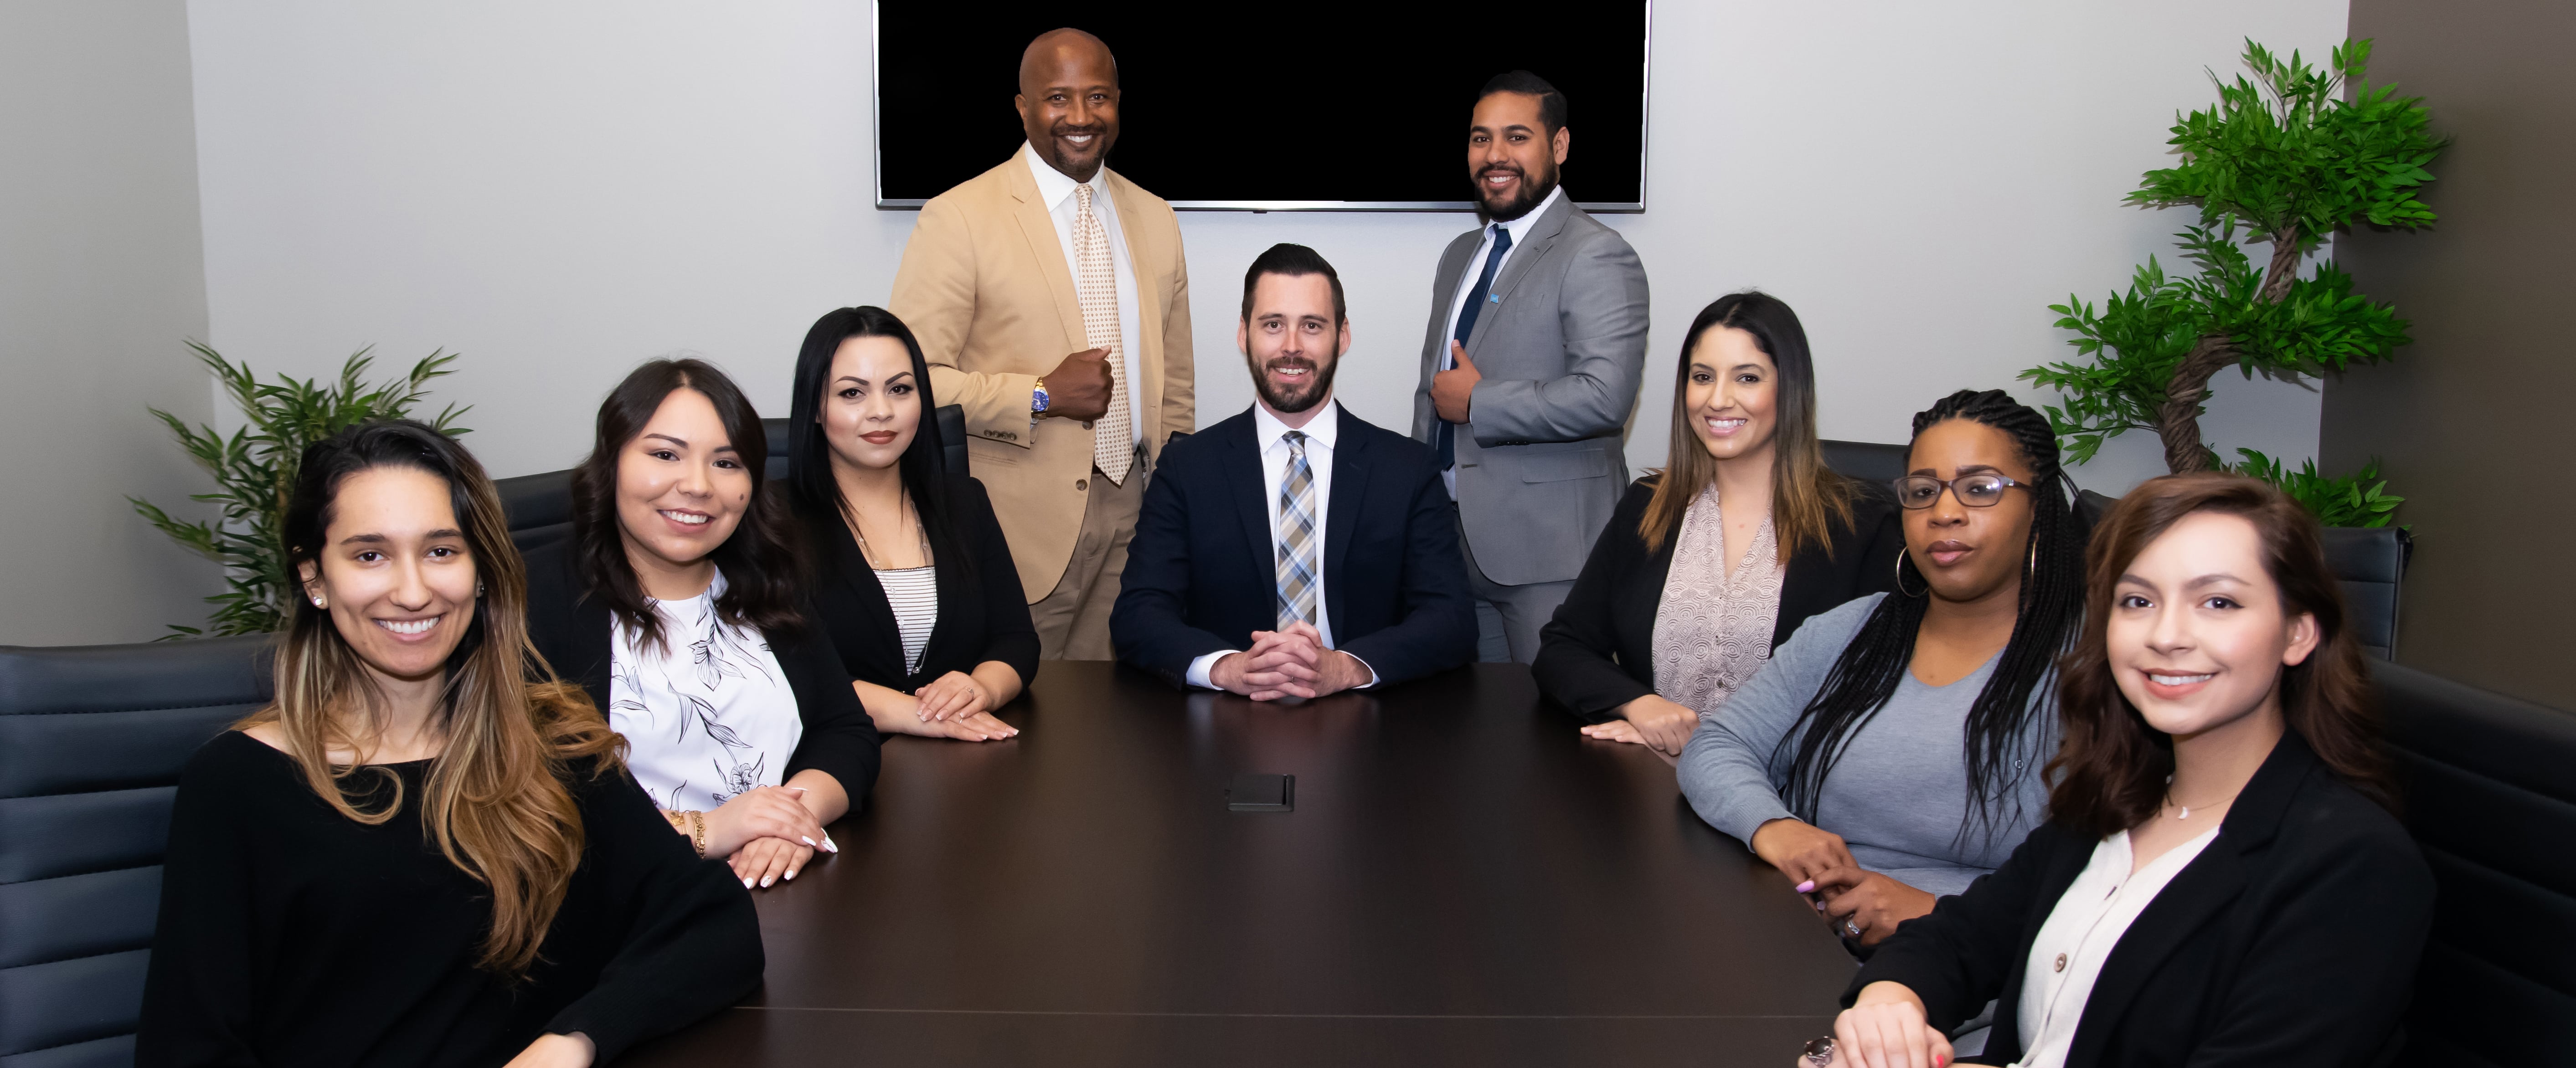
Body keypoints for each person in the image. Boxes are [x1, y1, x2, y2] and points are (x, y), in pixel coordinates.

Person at [137, 420, 759, 1068]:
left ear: (481, 570)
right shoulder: (238, 784)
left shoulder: (551, 741)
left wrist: (574, 1040)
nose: (413, 592)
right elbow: (187, 1050)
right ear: (314, 577)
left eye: (441, 551)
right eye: (370, 556)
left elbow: (714, 923)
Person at [1805, 473, 2433, 1068]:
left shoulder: (2354, 865)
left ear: (2298, 633)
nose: (2167, 635)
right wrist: (1890, 1002)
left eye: (2218, 602)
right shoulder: (2112, 799)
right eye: (2138, 601)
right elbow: (1957, 939)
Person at [1679, 389, 2085, 950]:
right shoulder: (1852, 633)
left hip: (1972, 965)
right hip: (1796, 940)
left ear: (2039, 509)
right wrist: (1775, 826)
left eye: (1980, 488)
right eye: (1923, 491)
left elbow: (2120, 878)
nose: (1944, 512)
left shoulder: (2093, 664)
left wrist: (1938, 913)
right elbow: (1718, 744)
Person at [888, 27, 1193, 661]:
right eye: (1058, 98)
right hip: (1017, 531)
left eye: (1098, 96)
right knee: (1020, 709)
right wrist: (1040, 395)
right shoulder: (959, 218)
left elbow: (1177, 384)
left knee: (1124, 707)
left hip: (1137, 519)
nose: (1081, 117)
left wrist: (1177, 502)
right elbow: (908, 383)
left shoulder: (1156, 216)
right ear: (1023, 107)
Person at [524, 359, 879, 892]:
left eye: (726, 462)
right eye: (665, 454)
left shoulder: (766, 578)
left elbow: (845, 731)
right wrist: (708, 830)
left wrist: (788, 819)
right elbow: (522, 796)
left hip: (783, 897)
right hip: (625, 908)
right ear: (612, 461)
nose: (697, 485)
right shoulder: (536, 594)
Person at [1534, 292, 1901, 756]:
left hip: (1788, 787)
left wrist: (1727, 754)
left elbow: (1881, 688)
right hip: (1655, 779)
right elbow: (1563, 648)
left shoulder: (1863, 523)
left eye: (1747, 378)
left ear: (1790, 389)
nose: (1718, 400)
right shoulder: (1648, 508)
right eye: (1702, 377)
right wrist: (1638, 704)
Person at [1112, 243, 1475, 698]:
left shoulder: (1407, 469)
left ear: (1342, 337)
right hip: (1225, 720)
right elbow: (1138, 613)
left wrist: (1345, 669)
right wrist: (1228, 668)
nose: (1291, 347)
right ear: (1244, 334)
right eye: (1273, 325)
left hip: (1366, 719)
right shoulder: (1187, 469)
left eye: (1312, 326)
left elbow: (1452, 618)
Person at [1412, 69, 1650, 664]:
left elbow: (1606, 396)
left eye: (1517, 137)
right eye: (1481, 138)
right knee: (1469, 717)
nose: (1496, 155)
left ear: (1559, 146)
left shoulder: (1597, 253)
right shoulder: (1460, 255)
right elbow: (1432, 392)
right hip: (1451, 544)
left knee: (1553, 716)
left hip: (1551, 556)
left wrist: (1480, 401)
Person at [786, 306, 1038, 742]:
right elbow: (785, 670)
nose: (881, 411)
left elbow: (1016, 640)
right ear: (816, 408)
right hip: (833, 757)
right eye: (852, 393)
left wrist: (980, 689)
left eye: (900, 389)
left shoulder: (965, 501)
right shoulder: (773, 518)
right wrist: (923, 716)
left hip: (965, 756)